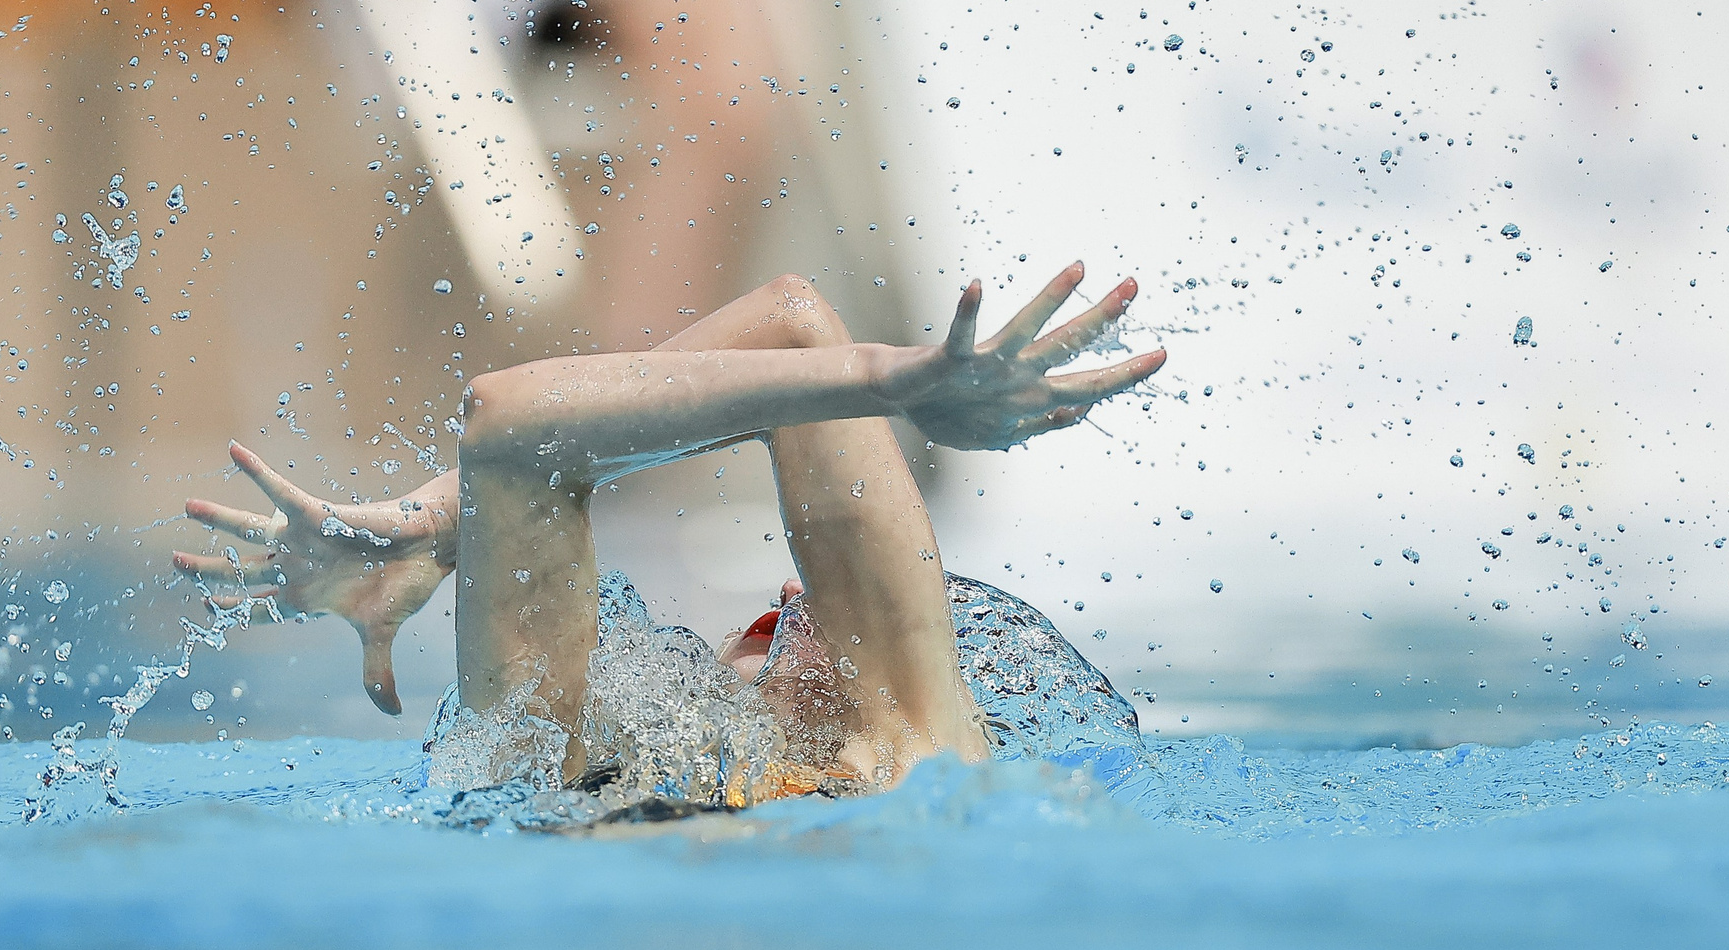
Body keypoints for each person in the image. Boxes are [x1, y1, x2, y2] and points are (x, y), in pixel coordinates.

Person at [174, 261, 1164, 798]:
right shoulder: (570, 759)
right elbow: (787, 318)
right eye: (805, 591)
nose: (785, 590)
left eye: (815, 599)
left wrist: (894, 388)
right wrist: (442, 522)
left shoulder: (919, 756)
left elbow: (508, 427)